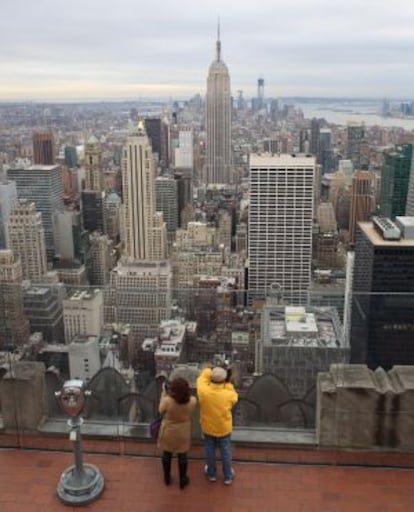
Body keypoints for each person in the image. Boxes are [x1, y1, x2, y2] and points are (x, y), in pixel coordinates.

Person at [196, 365, 238, 485]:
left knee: (209, 450)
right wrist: (227, 384)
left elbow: (201, 379)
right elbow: (235, 397)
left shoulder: (203, 391)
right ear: (224, 380)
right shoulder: (228, 394)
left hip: (208, 426)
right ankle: (228, 476)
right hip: (224, 427)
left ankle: (211, 474)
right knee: (225, 451)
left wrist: (210, 370)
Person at [157, 377, 197, 489]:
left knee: (166, 454)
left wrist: (164, 393)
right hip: (183, 432)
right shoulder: (192, 401)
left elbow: (160, 410)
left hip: (168, 431)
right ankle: (183, 479)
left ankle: (167, 478)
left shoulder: (167, 401)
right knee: (182, 455)